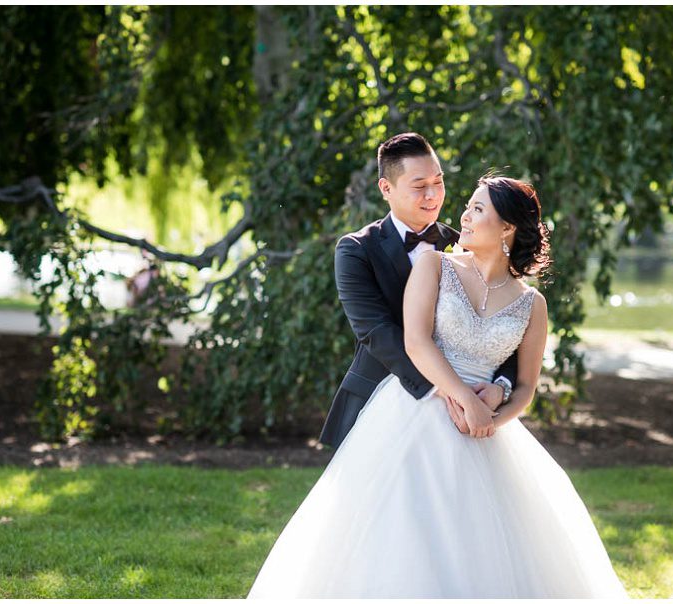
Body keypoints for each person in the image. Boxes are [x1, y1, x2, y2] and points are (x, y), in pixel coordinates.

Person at [247, 171, 629, 598]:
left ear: (507, 227)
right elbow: (415, 341)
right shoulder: (435, 265)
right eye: (468, 205)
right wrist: (464, 396)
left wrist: (494, 417)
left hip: (486, 430)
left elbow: (525, 386)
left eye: (478, 209)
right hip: (414, 410)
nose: (463, 215)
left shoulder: (532, 304)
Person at [318, 132, 517, 449]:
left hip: (466, 409)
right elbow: (377, 332)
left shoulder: (465, 245)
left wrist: (501, 387)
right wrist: (451, 390)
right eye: (419, 186)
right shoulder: (356, 250)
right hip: (380, 402)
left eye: (438, 182)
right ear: (386, 188)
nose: (433, 194)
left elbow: (505, 322)